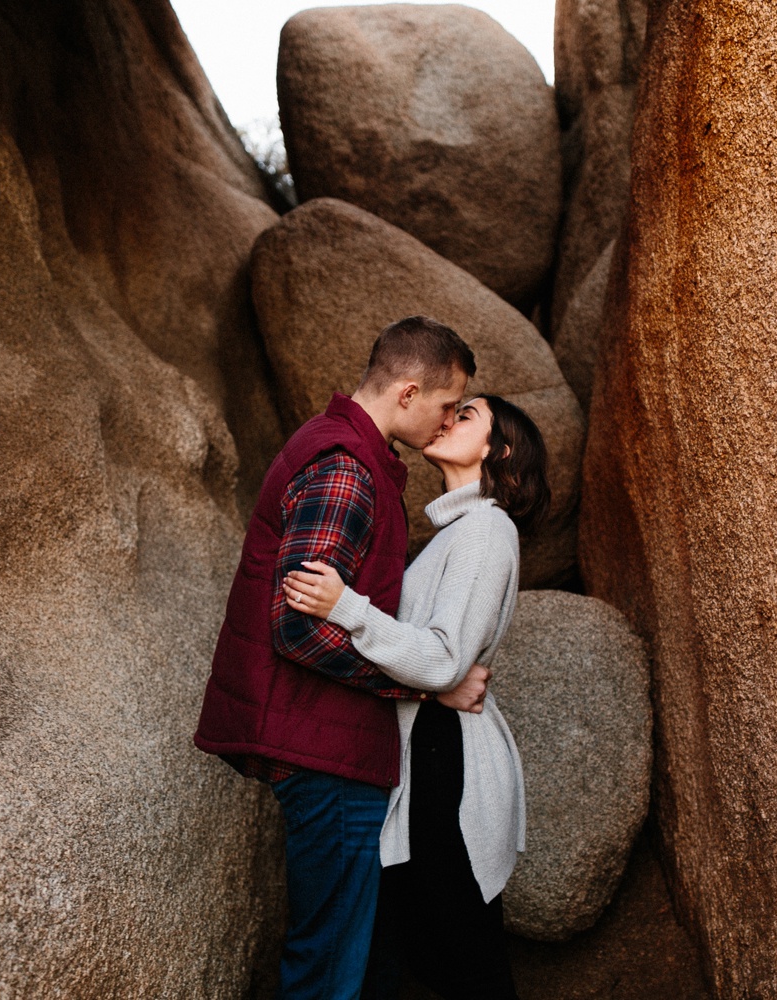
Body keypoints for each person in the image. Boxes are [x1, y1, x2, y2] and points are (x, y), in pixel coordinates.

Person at [193, 316, 492, 1000]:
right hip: (325, 752)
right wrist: (418, 690)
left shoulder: (348, 456)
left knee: (346, 956)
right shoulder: (346, 470)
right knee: (328, 968)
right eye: (448, 406)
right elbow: (297, 630)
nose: (448, 423)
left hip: (328, 744)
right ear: (409, 392)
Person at [281, 394, 551, 1000]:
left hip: (447, 762)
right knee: (436, 953)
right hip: (430, 750)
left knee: (465, 959)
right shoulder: (457, 532)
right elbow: (439, 665)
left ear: (498, 450)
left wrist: (344, 607)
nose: (448, 418)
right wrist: (439, 683)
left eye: (468, 414)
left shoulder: (486, 529)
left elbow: (442, 658)